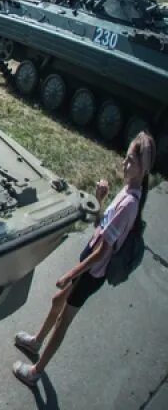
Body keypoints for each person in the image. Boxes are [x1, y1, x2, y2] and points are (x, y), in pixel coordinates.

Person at [11, 132, 156, 388]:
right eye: (126, 158)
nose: (125, 164)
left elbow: (102, 251)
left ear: (144, 168)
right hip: (87, 264)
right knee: (57, 300)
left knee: (63, 321)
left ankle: (35, 372)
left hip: (92, 273)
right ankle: (35, 342)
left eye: (132, 161)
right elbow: (101, 227)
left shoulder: (130, 204)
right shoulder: (126, 190)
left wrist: (70, 274)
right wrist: (100, 200)